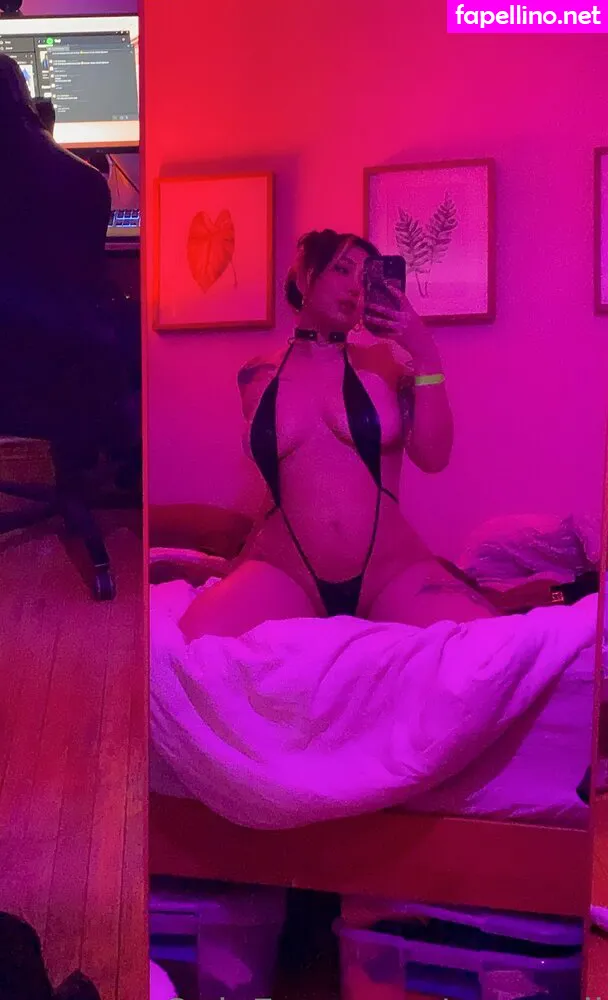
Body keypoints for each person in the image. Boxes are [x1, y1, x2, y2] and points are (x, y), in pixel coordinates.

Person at [180, 229, 496, 640]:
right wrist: (242, 562)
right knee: (197, 637)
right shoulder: (256, 374)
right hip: (285, 569)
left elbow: (434, 456)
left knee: (485, 641)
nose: (355, 288)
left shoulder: (385, 364)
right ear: (303, 276)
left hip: (390, 569)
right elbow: (291, 474)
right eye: (343, 270)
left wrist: (425, 354)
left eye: (365, 278)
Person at [0, 54, 139, 486]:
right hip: (68, 369)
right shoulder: (87, 183)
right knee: (132, 316)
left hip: (8, 371)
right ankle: (123, 459)